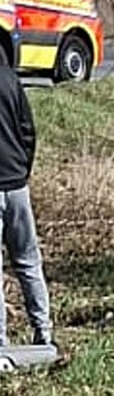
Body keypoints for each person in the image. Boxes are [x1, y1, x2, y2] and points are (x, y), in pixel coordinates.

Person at [0, 49, 52, 346]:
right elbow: (28, 132)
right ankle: (43, 331)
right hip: (17, 186)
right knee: (29, 261)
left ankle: (1, 342)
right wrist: (22, 170)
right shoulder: (11, 80)